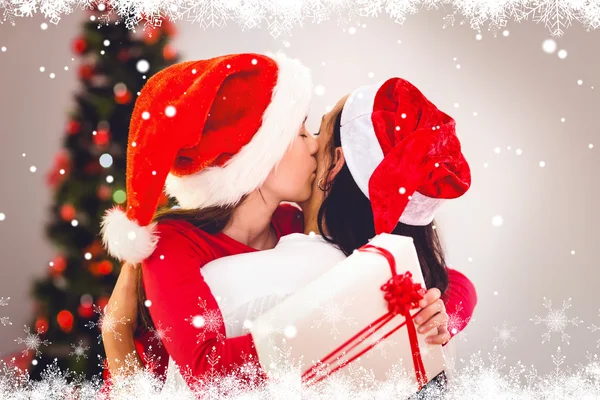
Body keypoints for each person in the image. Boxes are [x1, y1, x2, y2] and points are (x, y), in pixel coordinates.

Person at [103, 77, 477, 394]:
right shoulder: (174, 240)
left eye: (316, 132)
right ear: (260, 156)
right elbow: (205, 371)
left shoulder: (294, 228)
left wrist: (431, 313)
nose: (313, 144)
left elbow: (457, 284)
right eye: (303, 133)